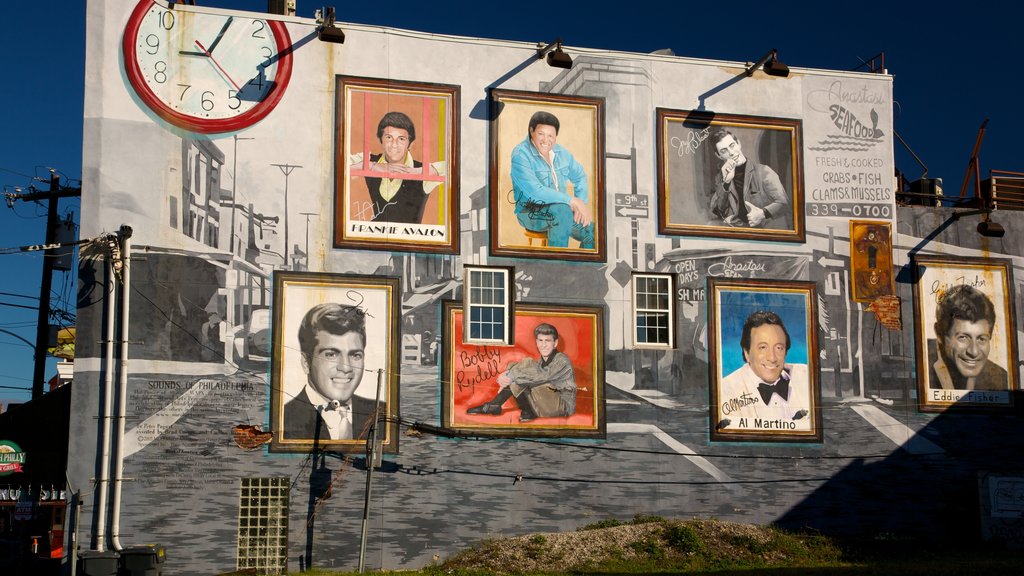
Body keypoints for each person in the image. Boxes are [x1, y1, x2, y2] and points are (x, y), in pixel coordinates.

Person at [283, 303, 384, 440]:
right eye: (331, 355)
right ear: (306, 362)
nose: (346, 367)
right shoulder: (282, 418)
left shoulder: (384, 415)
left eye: (355, 355)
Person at [510, 111, 594, 249]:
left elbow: (580, 176)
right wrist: (572, 201)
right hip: (530, 213)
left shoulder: (561, 153)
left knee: (593, 232)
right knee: (562, 211)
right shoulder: (520, 155)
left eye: (551, 136)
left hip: (563, 211)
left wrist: (581, 204)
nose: (546, 140)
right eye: (541, 134)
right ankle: (557, 267)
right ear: (532, 131)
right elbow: (535, 192)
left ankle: (580, 269)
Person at [718, 310, 810, 430]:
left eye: (779, 348)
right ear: (747, 353)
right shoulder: (725, 391)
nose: (772, 358)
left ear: (786, 352)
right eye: (762, 347)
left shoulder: (807, 377)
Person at [466, 323, 577, 422]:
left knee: (523, 373)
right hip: (543, 405)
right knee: (526, 364)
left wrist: (510, 378)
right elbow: (529, 373)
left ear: (555, 343)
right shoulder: (540, 362)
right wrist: (506, 373)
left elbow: (541, 376)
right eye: (540, 341)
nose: (543, 345)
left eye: (547, 341)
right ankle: (527, 411)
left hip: (562, 407)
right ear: (537, 342)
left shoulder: (562, 360)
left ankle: (495, 405)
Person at [349, 111, 446, 223]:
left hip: (410, 239)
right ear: (381, 140)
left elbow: (454, 167)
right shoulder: (369, 159)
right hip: (373, 237)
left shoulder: (421, 170)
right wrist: (372, 166)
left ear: (410, 144)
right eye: (389, 137)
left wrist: (419, 172)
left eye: (401, 139)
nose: (394, 144)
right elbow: (335, 164)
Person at [928, 284, 1007, 391]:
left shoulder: (1001, 378)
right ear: (939, 334)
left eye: (981, 339)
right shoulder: (920, 364)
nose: (973, 352)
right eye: (963, 337)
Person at [707, 128, 789, 229]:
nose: (731, 153)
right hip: (739, 230)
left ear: (738, 144)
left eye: (732, 145)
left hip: (764, 228)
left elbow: (784, 203)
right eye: (724, 151)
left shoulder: (764, 171)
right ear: (719, 156)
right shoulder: (722, 177)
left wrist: (762, 214)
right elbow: (716, 211)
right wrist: (726, 182)